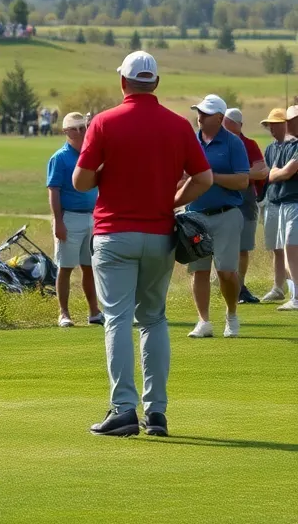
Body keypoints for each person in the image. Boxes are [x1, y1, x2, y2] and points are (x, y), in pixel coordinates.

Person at [73, 51, 211, 438]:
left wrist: (104, 173)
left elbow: (80, 182)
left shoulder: (104, 122)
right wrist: (173, 200)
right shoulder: (178, 125)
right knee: (153, 319)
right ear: (156, 83)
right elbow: (204, 178)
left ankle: (123, 409)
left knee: (117, 319)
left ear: (123, 82)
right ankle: (157, 413)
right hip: (160, 234)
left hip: (114, 234)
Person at [183, 95, 249, 338]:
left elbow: (242, 181)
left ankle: (231, 314)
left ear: (220, 118)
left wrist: (210, 177)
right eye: (199, 112)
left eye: (206, 113)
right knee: (199, 270)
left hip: (226, 214)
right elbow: (181, 176)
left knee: (226, 272)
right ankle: (204, 321)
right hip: (195, 216)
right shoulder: (191, 142)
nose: (199, 116)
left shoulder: (233, 143)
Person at [45, 113, 102, 329]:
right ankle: (64, 313)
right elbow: (54, 191)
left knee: (89, 267)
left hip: (92, 217)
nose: (79, 132)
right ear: (65, 132)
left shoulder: (92, 154)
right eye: (74, 129)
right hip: (69, 217)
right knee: (66, 267)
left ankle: (94, 312)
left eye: (82, 128)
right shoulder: (59, 158)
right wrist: (58, 221)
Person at [222, 108, 268, 304]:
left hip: (245, 200)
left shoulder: (249, 144)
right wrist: (243, 174)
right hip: (223, 199)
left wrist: (237, 174)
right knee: (223, 246)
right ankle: (228, 284)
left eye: (228, 122)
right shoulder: (217, 143)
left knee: (243, 248)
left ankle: (240, 286)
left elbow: (262, 172)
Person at [258, 107, 295, 303]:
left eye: (275, 124)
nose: (272, 128)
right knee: (276, 247)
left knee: (290, 247)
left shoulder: (293, 146)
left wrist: (276, 173)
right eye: (269, 125)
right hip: (273, 201)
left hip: (290, 201)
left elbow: (281, 174)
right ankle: (279, 286)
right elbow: (267, 176)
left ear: (285, 125)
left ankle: (291, 288)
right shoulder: (270, 148)